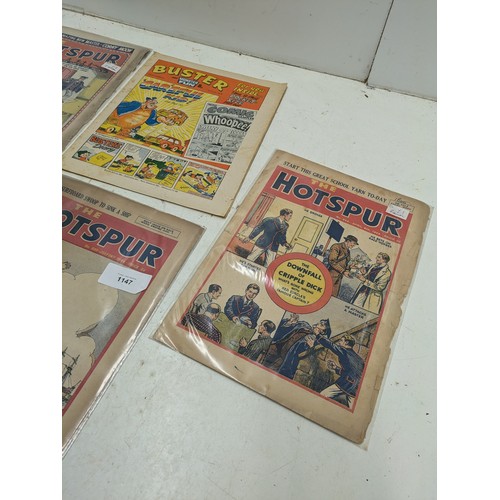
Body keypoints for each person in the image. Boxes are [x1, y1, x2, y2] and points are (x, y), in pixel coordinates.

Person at [262, 314, 331, 371]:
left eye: (321, 325)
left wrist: (311, 347)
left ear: (322, 332)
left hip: (285, 358)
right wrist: (290, 322)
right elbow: (284, 325)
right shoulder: (304, 325)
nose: (318, 324)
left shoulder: (316, 342)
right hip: (277, 347)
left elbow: (311, 359)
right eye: (319, 322)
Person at [316, 334, 365, 408]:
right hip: (356, 388)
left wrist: (318, 335)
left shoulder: (344, 351)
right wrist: (336, 368)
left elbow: (331, 345)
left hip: (345, 384)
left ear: (346, 342)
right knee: (353, 407)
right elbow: (351, 372)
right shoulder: (360, 359)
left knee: (322, 395)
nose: (339, 342)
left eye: (341, 340)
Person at [107, 97, 173, 136]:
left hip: (126, 129)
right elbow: (120, 104)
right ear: (146, 101)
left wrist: (158, 119)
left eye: (155, 102)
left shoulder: (153, 111)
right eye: (151, 101)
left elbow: (150, 122)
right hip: (114, 120)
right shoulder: (137, 104)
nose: (153, 103)